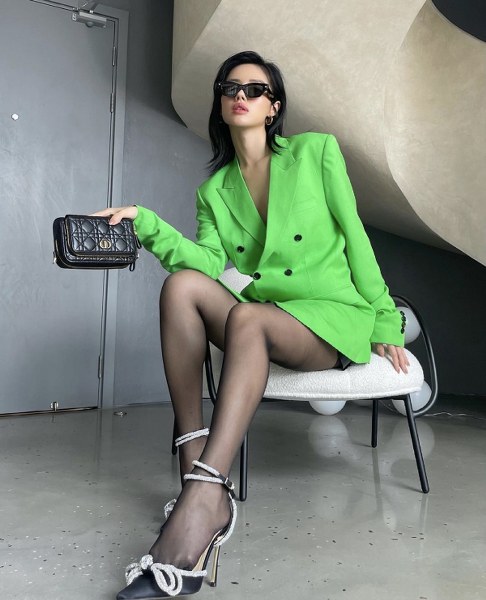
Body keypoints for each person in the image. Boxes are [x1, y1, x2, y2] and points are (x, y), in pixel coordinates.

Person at [94, 50, 409, 599]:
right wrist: (144, 222)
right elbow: (207, 264)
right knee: (182, 287)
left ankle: (204, 500)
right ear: (221, 104)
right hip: (262, 318)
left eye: (255, 89)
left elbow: (356, 236)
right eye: (230, 87)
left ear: (273, 107)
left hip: (327, 318)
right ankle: (194, 461)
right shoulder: (214, 191)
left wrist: (385, 319)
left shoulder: (316, 153)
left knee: (247, 316)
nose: (241, 95)